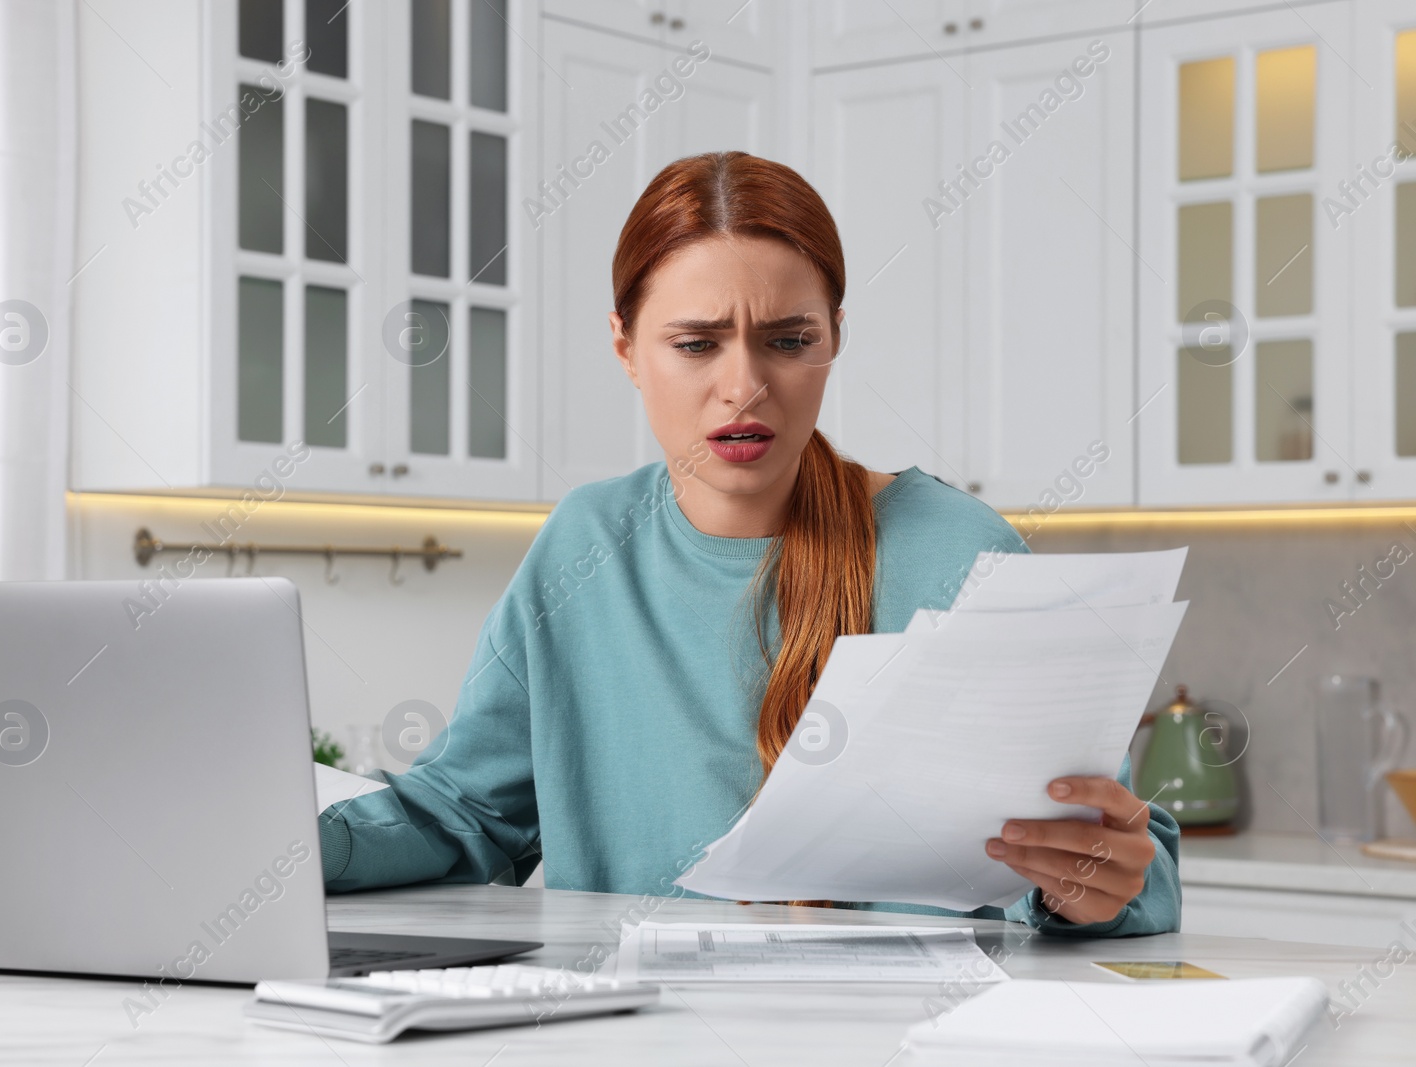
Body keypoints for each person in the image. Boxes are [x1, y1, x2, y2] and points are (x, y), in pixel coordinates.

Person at [320, 151, 1179, 936]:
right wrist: (271, 844)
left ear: (834, 336)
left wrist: (1098, 884)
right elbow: (463, 815)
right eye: (695, 344)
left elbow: (1119, 846)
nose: (744, 386)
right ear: (624, 347)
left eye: (788, 341)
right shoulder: (582, 546)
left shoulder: (959, 553)